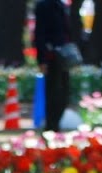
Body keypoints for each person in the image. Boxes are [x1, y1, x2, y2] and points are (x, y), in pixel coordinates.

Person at [32, 0, 72, 133]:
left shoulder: (62, 5)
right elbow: (39, 33)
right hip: (51, 55)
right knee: (52, 91)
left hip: (64, 54)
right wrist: (42, 59)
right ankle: (51, 125)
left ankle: (56, 122)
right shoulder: (44, 6)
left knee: (64, 91)